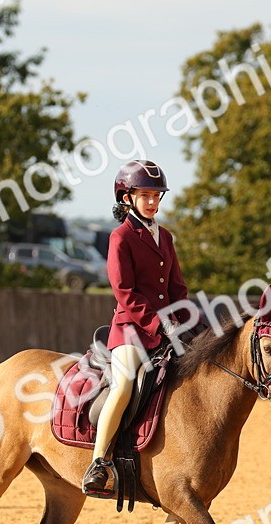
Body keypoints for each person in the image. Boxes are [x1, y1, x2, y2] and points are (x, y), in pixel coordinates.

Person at [82, 160, 190, 497]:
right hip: (131, 328)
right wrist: (158, 323)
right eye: (145, 195)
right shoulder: (121, 237)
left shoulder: (166, 237)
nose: (153, 202)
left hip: (167, 328)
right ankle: (99, 461)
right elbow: (124, 291)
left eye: (157, 195)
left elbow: (176, 288)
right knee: (125, 383)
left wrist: (185, 319)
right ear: (127, 198)